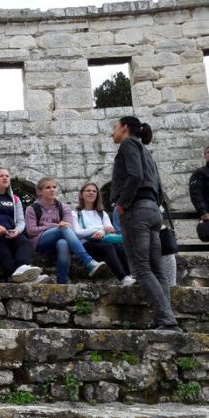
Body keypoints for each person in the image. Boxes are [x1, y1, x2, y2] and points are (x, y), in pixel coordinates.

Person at [110, 116, 180, 331]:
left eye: (115, 127)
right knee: (157, 269)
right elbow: (158, 187)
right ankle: (164, 319)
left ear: (124, 127)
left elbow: (135, 176)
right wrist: (151, 205)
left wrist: (122, 203)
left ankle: (167, 320)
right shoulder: (146, 151)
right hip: (152, 211)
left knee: (141, 269)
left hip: (136, 212)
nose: (112, 132)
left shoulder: (128, 145)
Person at [25, 177, 106, 284]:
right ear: (40, 191)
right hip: (40, 241)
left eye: (54, 187)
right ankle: (88, 261)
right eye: (48, 187)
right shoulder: (32, 208)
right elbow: (31, 231)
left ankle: (62, 283)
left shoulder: (64, 207)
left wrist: (59, 226)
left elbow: (69, 227)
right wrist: (55, 225)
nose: (52, 190)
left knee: (63, 243)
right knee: (63, 228)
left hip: (59, 240)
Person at [0, 167, 43, 283]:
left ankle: (22, 268)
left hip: (11, 233)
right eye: (1, 176)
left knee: (25, 243)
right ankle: (25, 278)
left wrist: (17, 230)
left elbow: (21, 221)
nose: (5, 178)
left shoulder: (15, 199)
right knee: (4, 253)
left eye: (7, 176)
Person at [73, 182, 135, 286]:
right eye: (88, 190)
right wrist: (100, 228)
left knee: (119, 246)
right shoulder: (75, 213)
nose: (91, 193)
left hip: (101, 240)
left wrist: (102, 232)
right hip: (86, 244)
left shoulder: (102, 213)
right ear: (81, 194)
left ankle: (129, 275)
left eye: (94, 191)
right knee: (108, 247)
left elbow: (110, 230)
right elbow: (78, 233)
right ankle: (123, 278)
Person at [189, 144, 209, 222]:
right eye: (208, 152)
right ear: (205, 156)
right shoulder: (200, 173)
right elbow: (196, 194)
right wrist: (203, 212)